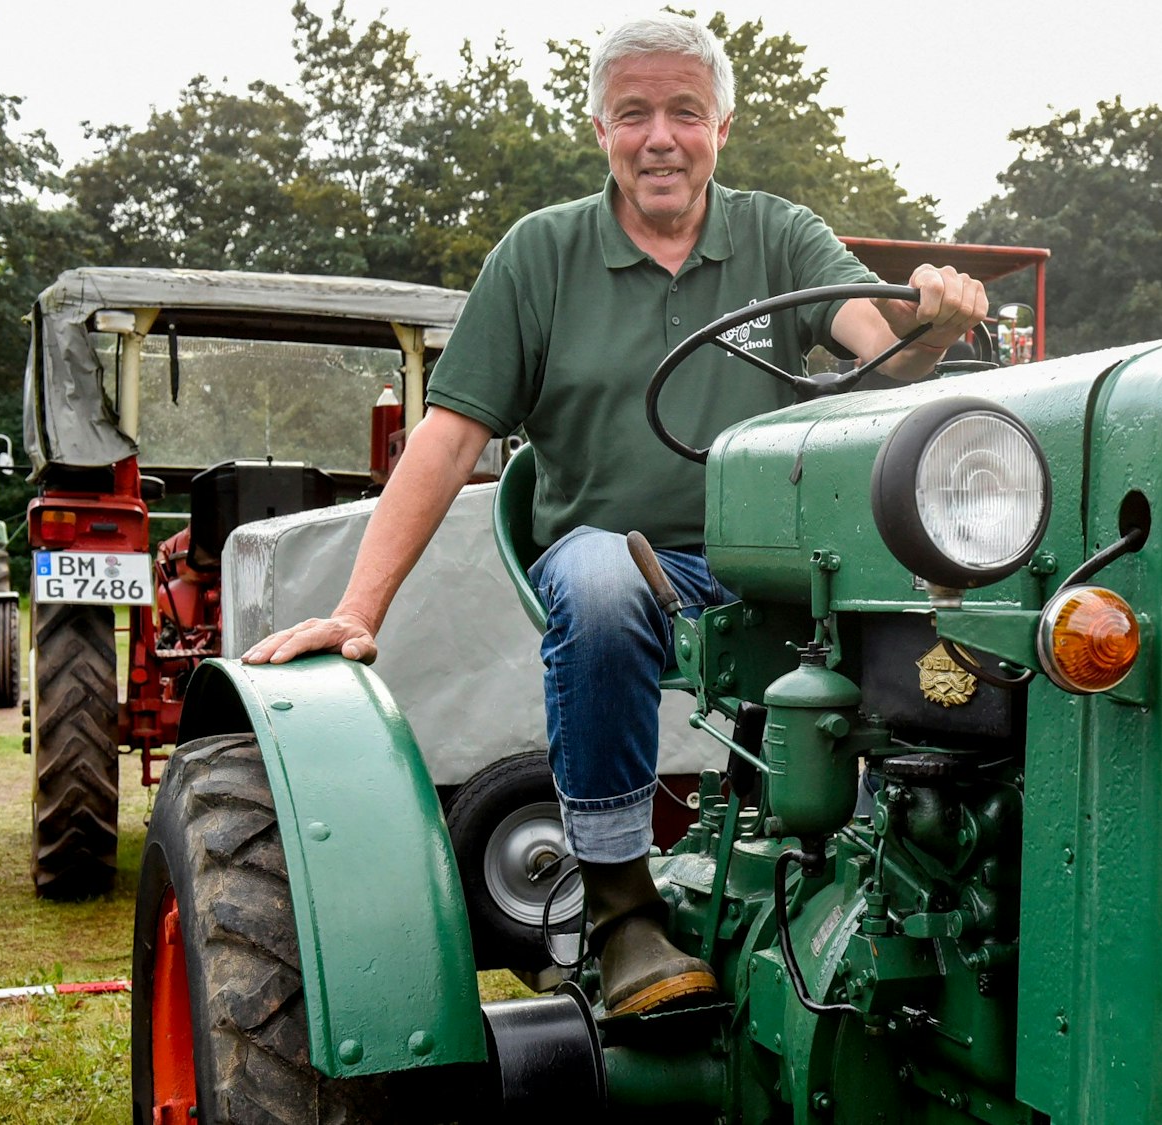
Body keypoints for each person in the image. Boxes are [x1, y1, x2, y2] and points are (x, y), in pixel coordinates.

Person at [241, 12, 987, 1016]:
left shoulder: (779, 234)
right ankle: (620, 905)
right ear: (600, 130)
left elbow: (878, 357)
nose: (660, 136)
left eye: (684, 111)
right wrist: (359, 608)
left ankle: (903, 875)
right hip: (623, 560)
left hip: (771, 556)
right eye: (633, 113)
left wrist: (929, 329)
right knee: (594, 584)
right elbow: (449, 438)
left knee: (942, 598)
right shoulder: (540, 256)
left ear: (722, 126)